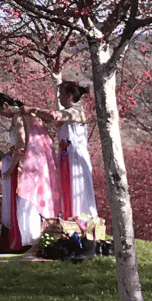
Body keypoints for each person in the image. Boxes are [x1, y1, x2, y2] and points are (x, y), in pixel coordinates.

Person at [0, 91, 59, 250]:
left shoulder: (19, 117)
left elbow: (21, 145)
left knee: (26, 201)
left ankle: (30, 240)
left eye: (0, 111)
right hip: (28, 163)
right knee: (26, 201)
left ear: (6, 105)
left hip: (27, 166)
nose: (1, 115)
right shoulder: (21, 116)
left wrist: (12, 166)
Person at [56, 80, 99, 221]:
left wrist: (34, 111)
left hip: (76, 160)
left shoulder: (76, 113)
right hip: (65, 158)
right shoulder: (67, 112)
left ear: (69, 95)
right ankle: (68, 218)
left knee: (78, 190)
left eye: (61, 94)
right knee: (66, 190)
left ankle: (82, 221)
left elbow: (55, 115)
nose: (58, 97)